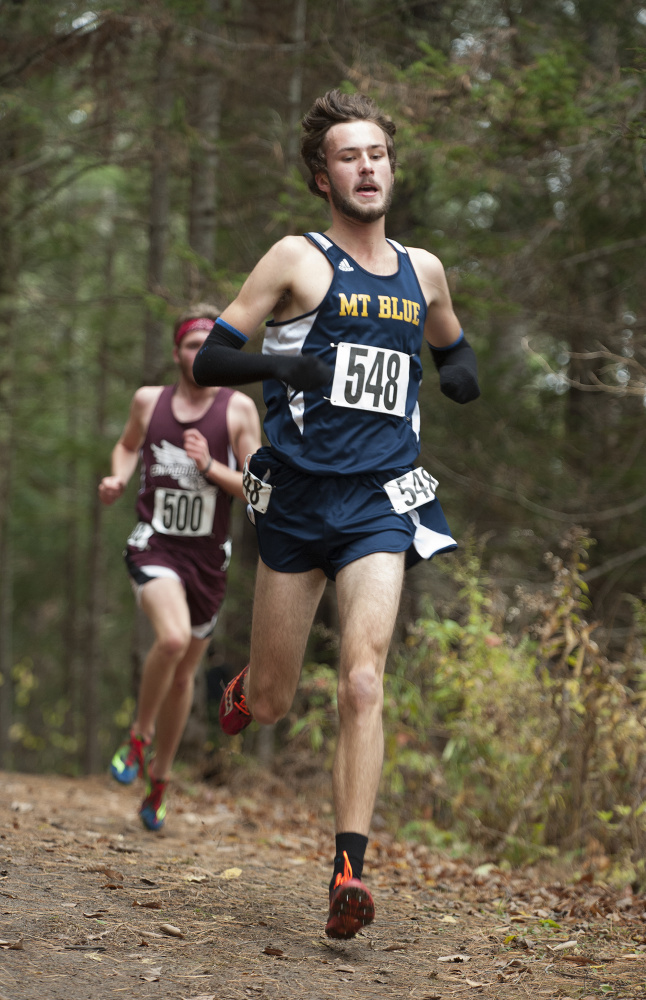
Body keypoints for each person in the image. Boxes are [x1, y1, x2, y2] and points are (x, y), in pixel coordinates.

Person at [192, 90, 480, 938]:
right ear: (323, 176)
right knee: (277, 702)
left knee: (362, 678)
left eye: (378, 154)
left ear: (392, 168)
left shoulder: (422, 269)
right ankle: (245, 684)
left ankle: (349, 869)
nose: (367, 167)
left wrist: (460, 370)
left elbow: (450, 339)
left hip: (380, 501)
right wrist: (289, 366)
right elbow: (213, 354)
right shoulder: (297, 259)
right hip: (298, 497)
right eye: (350, 156)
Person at [99, 304, 261, 832]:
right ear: (177, 353)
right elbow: (126, 447)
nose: (199, 355)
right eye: (191, 345)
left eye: (210, 346)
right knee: (169, 642)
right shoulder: (150, 402)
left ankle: (160, 781)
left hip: (207, 562)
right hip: (155, 546)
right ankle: (139, 736)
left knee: (184, 676)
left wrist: (210, 466)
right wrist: (118, 478)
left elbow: (260, 491)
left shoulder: (237, 411)